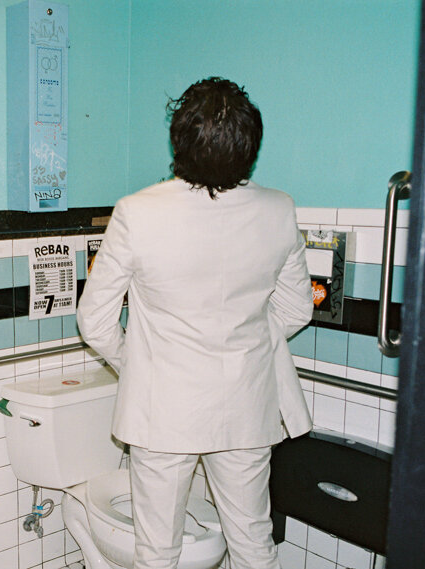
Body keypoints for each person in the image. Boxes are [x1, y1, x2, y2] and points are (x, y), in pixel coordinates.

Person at [76, 77, 314, 569]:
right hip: (248, 406)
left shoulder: (137, 213)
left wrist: (141, 362)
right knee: (252, 544)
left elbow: (94, 321)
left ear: (179, 141)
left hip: (163, 410)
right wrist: (243, 348)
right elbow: (296, 310)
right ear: (250, 146)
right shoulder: (279, 209)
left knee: (157, 551)